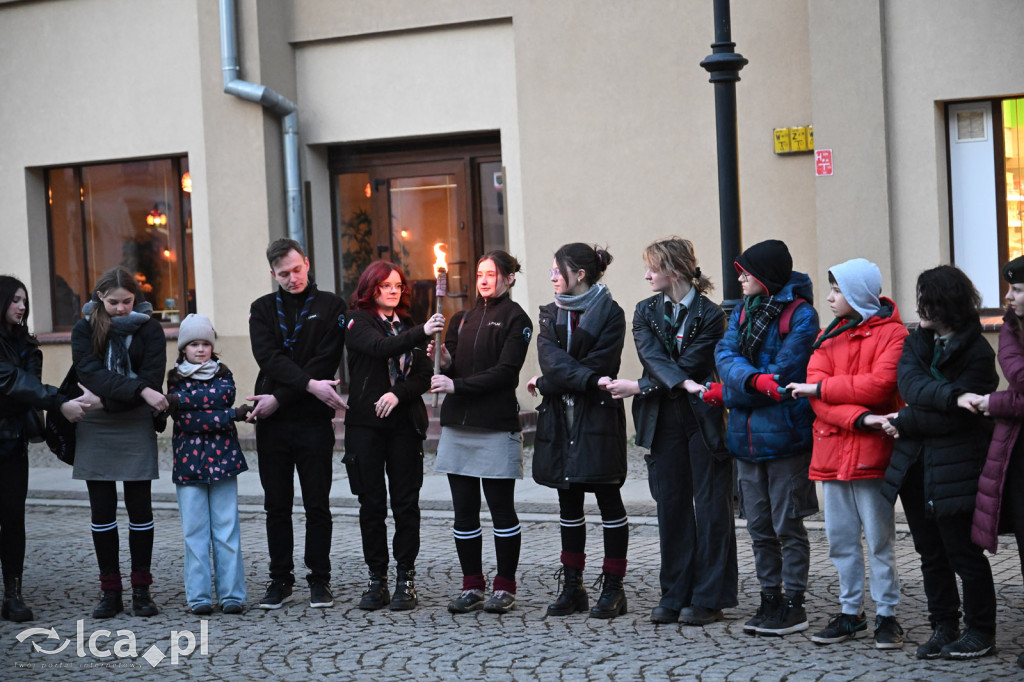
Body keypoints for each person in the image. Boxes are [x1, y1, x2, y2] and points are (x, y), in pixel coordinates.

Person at [604, 237, 737, 626]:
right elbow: (653, 358)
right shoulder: (644, 310)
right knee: (672, 508)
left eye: (652, 268)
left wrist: (641, 386)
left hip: (703, 419)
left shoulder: (712, 315)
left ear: (674, 270)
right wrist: (667, 384)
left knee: (713, 508)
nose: (646, 275)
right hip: (663, 419)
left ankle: (710, 597)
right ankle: (674, 592)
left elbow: (695, 361)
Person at [785, 259, 907, 648]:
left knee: (879, 539)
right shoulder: (826, 337)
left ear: (857, 294)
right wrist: (865, 420)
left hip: (873, 458)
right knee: (840, 541)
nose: (830, 297)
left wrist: (822, 391)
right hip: (833, 454)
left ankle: (887, 615)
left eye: (837, 290)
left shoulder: (894, 335)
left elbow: (880, 386)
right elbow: (817, 397)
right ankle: (850, 613)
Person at [880, 265, 999, 660]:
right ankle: (943, 625)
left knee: (963, 554)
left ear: (947, 302)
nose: (920, 308)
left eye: (927, 300)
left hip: (957, 467)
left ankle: (981, 630)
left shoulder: (979, 352)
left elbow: (959, 418)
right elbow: (909, 384)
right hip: (915, 466)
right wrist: (949, 395)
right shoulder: (918, 341)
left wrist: (905, 419)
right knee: (930, 554)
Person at [708, 239, 819, 635]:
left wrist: (740, 387)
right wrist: (755, 381)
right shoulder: (741, 312)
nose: (740, 278)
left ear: (767, 276)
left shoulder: (801, 316)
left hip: (786, 438)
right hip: (746, 440)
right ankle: (769, 598)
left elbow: (788, 373)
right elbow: (724, 356)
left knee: (787, 525)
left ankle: (794, 604)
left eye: (747, 272)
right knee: (758, 527)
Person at [527, 243, 628, 619]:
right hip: (560, 419)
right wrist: (564, 378)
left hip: (597, 418)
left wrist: (552, 383)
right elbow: (551, 362)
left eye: (558, 270)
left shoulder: (611, 314)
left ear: (579, 274)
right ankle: (573, 588)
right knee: (568, 505)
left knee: (608, 502)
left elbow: (602, 364)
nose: (552, 277)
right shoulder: (550, 313)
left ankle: (614, 589)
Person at [430, 250, 532, 614]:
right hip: (459, 426)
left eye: (492, 273)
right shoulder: (460, 319)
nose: (484, 279)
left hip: (494, 425)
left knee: (501, 511)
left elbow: (506, 372)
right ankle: (472, 585)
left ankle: (505, 587)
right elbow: (450, 362)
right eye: (479, 273)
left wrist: (456, 386)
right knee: (464, 513)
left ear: (509, 278)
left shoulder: (517, 318)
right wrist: (440, 356)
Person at [248, 238, 347, 610]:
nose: (292, 278)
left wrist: (280, 397)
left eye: (297, 270)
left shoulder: (332, 306)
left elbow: (325, 361)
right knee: (277, 505)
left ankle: (319, 580)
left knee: (317, 504)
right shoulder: (261, 309)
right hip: (271, 422)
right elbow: (269, 357)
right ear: (273, 274)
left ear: (307, 263)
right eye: (283, 274)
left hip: (310, 420)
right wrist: (305, 387)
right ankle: (280, 580)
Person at [343, 262, 441, 611]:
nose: (393, 290)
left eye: (398, 284)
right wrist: (423, 333)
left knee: (405, 504)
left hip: (404, 426)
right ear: (371, 288)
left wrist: (398, 393)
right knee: (371, 505)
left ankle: (405, 578)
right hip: (366, 427)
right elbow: (381, 347)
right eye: (385, 285)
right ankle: (377, 579)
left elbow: (424, 376)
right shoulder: (356, 320)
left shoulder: (411, 326)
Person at [72, 267, 168, 618]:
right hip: (96, 423)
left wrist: (115, 396)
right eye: (114, 302)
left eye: (128, 301)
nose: (122, 308)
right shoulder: (84, 328)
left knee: (140, 509)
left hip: (134, 420)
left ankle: (142, 591)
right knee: (102, 512)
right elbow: (90, 373)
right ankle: (110, 591)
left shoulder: (151, 329)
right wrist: (140, 390)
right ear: (100, 297)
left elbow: (152, 376)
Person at [0, 276, 90, 622]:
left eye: (24, 300)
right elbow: (13, 382)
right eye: (15, 300)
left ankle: (13, 595)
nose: (22, 306)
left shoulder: (26, 343)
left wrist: (39, 396)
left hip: (13, 442)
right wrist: (59, 402)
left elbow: (26, 389)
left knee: (13, 521)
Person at [167, 313, 249, 615]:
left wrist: (191, 404)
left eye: (205, 343)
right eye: (193, 344)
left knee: (227, 530)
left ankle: (232, 595)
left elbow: (221, 397)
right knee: (194, 532)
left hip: (224, 460)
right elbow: (185, 421)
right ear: (184, 348)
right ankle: (199, 597)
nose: (200, 349)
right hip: (189, 464)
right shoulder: (174, 377)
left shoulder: (224, 375)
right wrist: (228, 416)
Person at [971, 255, 1024, 669]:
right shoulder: (1010, 327)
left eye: (1019, 289)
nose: (1009, 296)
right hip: (1018, 454)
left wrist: (993, 402)